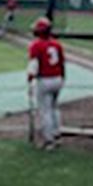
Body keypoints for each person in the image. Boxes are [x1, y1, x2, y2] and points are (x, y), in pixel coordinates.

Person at [27, 17, 65, 150]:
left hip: (44, 80)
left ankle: (49, 140)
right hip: (58, 79)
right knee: (55, 108)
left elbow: (34, 66)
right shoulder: (57, 44)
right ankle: (57, 134)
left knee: (45, 111)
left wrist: (30, 79)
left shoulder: (36, 45)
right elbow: (62, 64)